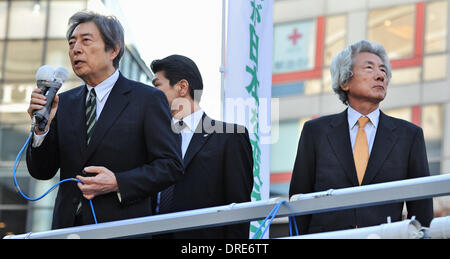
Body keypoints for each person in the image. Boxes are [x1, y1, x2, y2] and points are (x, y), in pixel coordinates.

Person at [26, 11, 183, 229]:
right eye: (71, 43)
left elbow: (170, 166)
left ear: (114, 50)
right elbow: (42, 171)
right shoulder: (62, 103)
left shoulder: (147, 99)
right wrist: (41, 129)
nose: (76, 49)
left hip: (123, 229)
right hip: (68, 229)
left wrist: (118, 182)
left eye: (86, 40)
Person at [289, 40, 434, 235]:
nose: (380, 75)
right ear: (345, 81)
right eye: (369, 68)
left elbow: (421, 208)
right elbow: (298, 200)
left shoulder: (409, 135)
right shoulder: (316, 132)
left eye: (383, 70)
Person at [150, 54, 254, 239]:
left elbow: (239, 209)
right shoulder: (153, 138)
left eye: (157, 86)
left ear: (182, 87)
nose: (152, 94)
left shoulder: (229, 137)